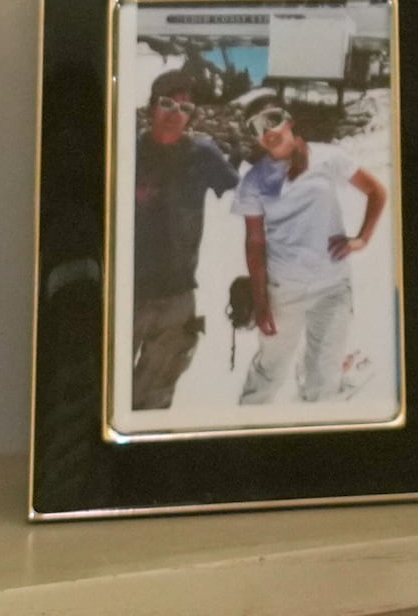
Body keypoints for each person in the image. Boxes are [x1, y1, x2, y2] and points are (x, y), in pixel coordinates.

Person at [231, 99, 386, 408]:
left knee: (323, 377)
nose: (267, 131)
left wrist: (362, 239)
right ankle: (246, 436)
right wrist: (261, 303)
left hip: (332, 288)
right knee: (269, 372)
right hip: (282, 290)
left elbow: (376, 191)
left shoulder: (329, 157)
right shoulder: (254, 180)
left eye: (272, 119)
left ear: (288, 121)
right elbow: (255, 242)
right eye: (256, 127)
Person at [127, 68, 238, 412]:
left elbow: (251, 200)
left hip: (177, 297)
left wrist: (253, 276)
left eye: (185, 109)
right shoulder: (125, 151)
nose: (176, 114)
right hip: (125, 294)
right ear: (150, 107)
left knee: (155, 397)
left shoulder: (202, 155)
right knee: (103, 392)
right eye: (167, 104)